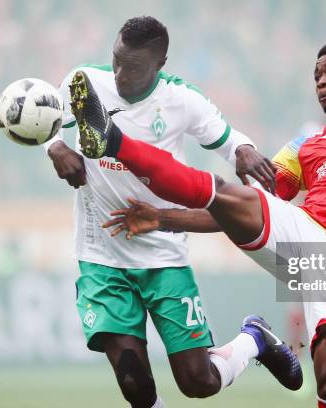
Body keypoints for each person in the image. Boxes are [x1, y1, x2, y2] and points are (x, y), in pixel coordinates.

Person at [70, 40, 326, 407]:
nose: (321, 82)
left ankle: (260, 339)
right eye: (316, 76)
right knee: (232, 193)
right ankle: (113, 139)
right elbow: (241, 209)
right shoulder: (304, 145)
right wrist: (163, 217)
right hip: (303, 235)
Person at [44, 16, 302, 408]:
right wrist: (55, 147)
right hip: (101, 258)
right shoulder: (84, 82)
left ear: (160, 64)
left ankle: (254, 338)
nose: (118, 73)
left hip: (163, 258)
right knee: (134, 383)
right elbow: (38, 118)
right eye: (116, 60)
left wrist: (245, 151)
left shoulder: (182, 100)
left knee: (198, 382)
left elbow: (230, 143)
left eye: (132, 67)